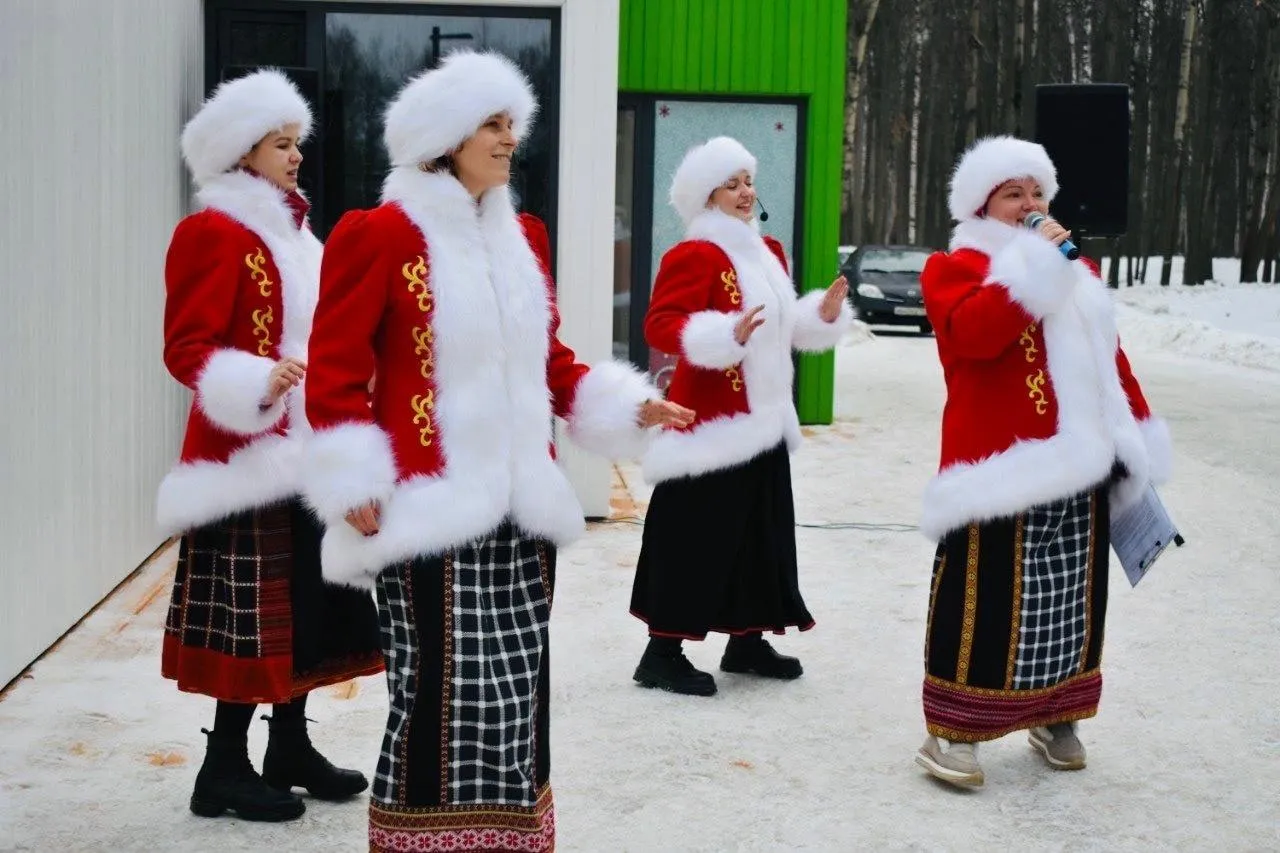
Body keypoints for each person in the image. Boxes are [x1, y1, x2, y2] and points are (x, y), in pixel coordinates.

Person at [301, 51, 693, 853]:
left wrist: (624, 404)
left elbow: (549, 361)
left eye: (513, 123)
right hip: (427, 507)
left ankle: (508, 840)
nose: (511, 138)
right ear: (446, 138)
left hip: (522, 511)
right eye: (492, 123)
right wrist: (351, 479)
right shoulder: (379, 235)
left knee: (515, 693)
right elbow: (334, 374)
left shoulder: (523, 239)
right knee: (435, 692)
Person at [157, 69, 383, 821]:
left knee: (305, 611)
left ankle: (288, 745)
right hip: (245, 458)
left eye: (296, 143)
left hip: (307, 449)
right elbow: (186, 347)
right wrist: (258, 381)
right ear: (240, 151)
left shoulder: (300, 237)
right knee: (255, 620)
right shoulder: (211, 233)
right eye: (281, 144)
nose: (296, 156)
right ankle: (222, 767)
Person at [914, 135, 1173, 788]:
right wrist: (1038, 269)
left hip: (1083, 463)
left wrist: (1138, 430)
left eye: (1037, 192)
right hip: (1000, 468)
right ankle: (952, 731)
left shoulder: (1078, 274)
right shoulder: (955, 267)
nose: (1030, 204)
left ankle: (1057, 715)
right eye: (1013, 194)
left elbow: (1110, 362)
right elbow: (975, 335)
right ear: (982, 205)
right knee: (986, 605)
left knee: (1070, 604)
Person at [629, 136, 852, 696]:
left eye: (748, 181)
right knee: (694, 537)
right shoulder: (694, 254)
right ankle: (661, 653)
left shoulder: (768, 251)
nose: (745, 192)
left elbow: (781, 329)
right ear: (708, 196)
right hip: (711, 424)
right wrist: (724, 333)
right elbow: (660, 325)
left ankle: (746, 641)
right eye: (731, 184)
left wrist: (821, 314)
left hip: (766, 420)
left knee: (760, 534)